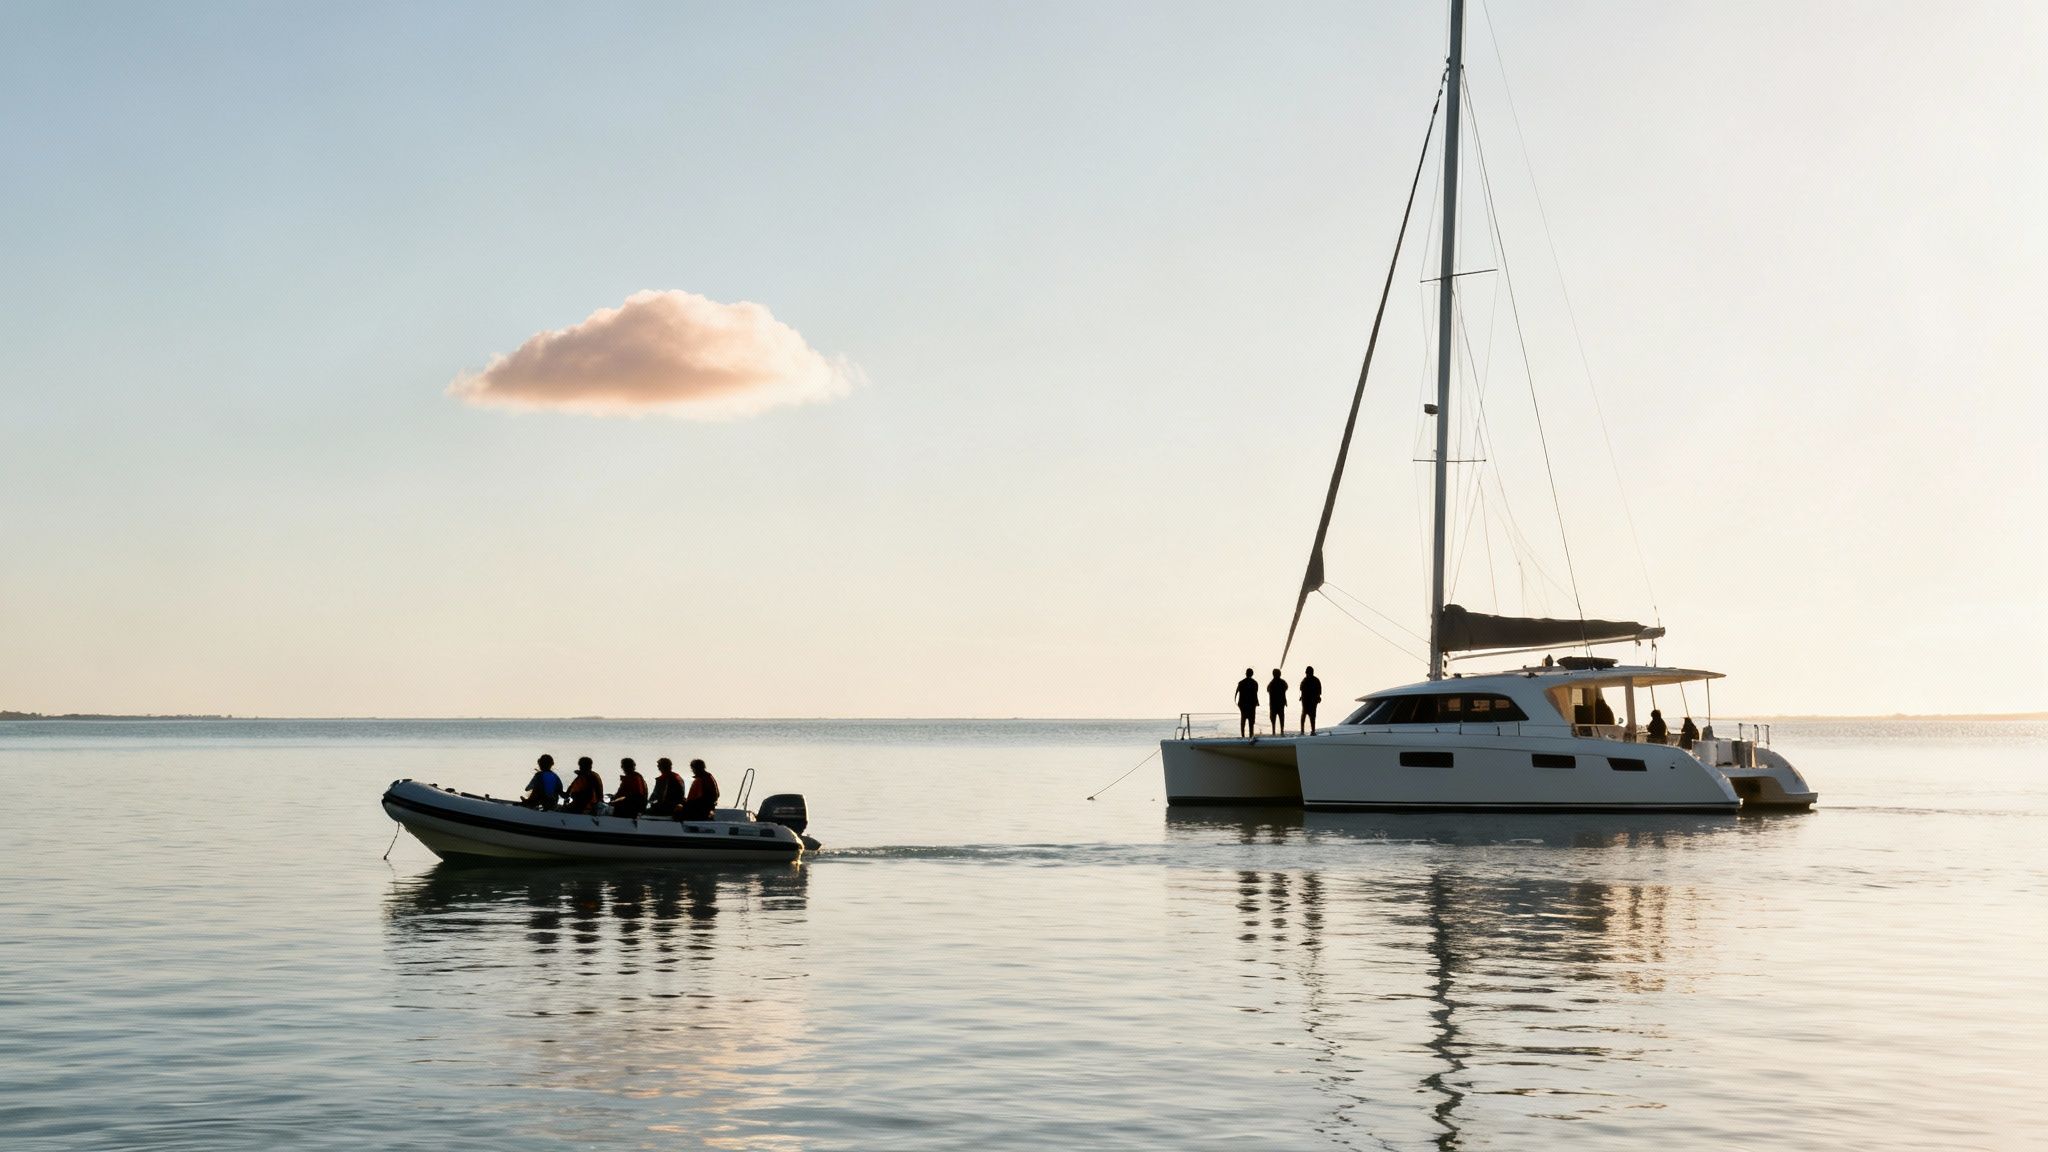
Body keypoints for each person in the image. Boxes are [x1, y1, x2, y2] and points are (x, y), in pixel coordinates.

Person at [1235, 668, 1260, 738]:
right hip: (1251, 705)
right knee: (1251, 722)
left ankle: (1242, 736)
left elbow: (1236, 694)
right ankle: (1251, 736)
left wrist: (1239, 704)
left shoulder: (1241, 683)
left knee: (1243, 720)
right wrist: (1257, 702)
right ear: (1252, 674)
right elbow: (1255, 694)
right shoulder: (1255, 683)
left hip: (1243, 705)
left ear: (1246, 674)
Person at [1299, 666, 1322, 735]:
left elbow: (1301, 688)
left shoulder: (1305, 680)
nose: (1306, 674)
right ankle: (1311, 731)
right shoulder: (1315, 680)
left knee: (1306, 716)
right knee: (1311, 716)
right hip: (1309, 701)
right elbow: (1319, 691)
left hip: (1309, 701)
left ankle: (1306, 731)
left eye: (1307, 672)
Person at [1266, 668, 1289, 735]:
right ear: (1279, 674)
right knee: (1281, 717)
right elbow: (1286, 687)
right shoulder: (1282, 682)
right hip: (1281, 703)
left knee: (1273, 718)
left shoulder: (1271, 683)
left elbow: (1267, 689)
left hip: (1273, 704)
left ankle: (1273, 731)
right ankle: (1282, 731)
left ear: (1273, 675)